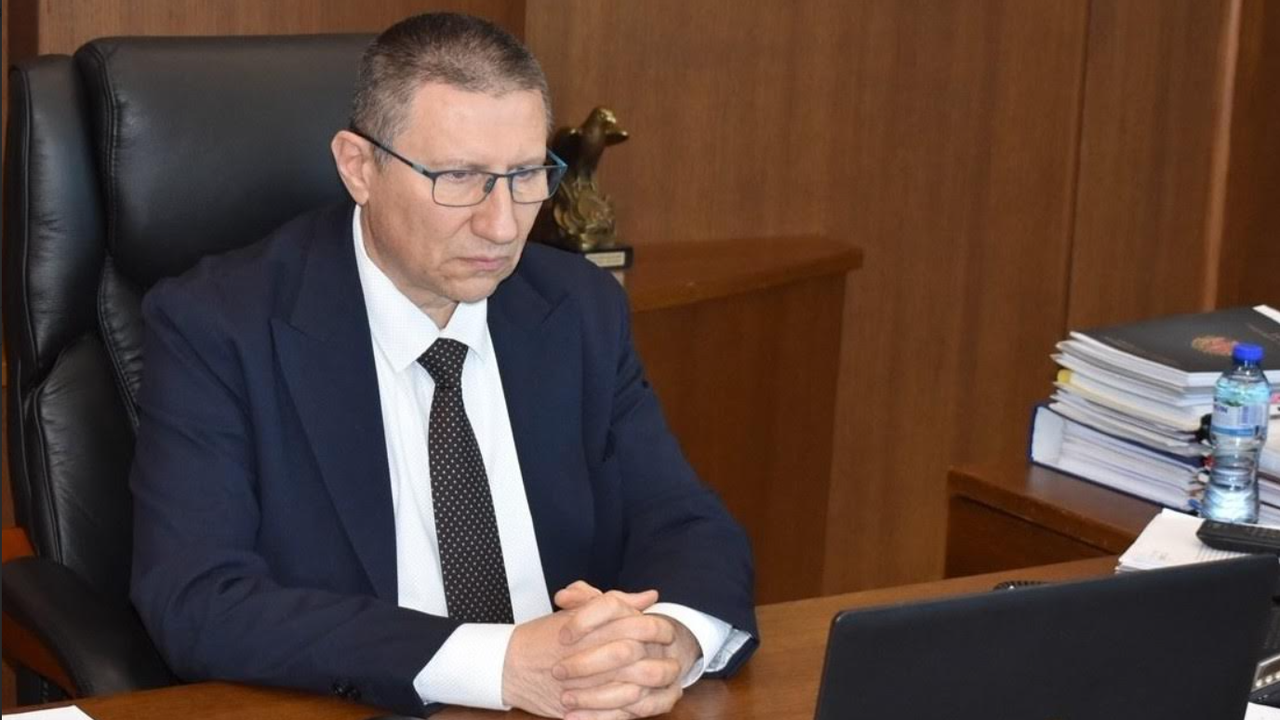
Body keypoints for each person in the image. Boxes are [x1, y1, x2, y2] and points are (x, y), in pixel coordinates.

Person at [129, 12, 757, 719]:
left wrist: (667, 640)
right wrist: (498, 665)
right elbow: (198, 598)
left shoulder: (577, 307)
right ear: (358, 167)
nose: (502, 224)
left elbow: (685, 523)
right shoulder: (218, 326)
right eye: (459, 177)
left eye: (525, 175)